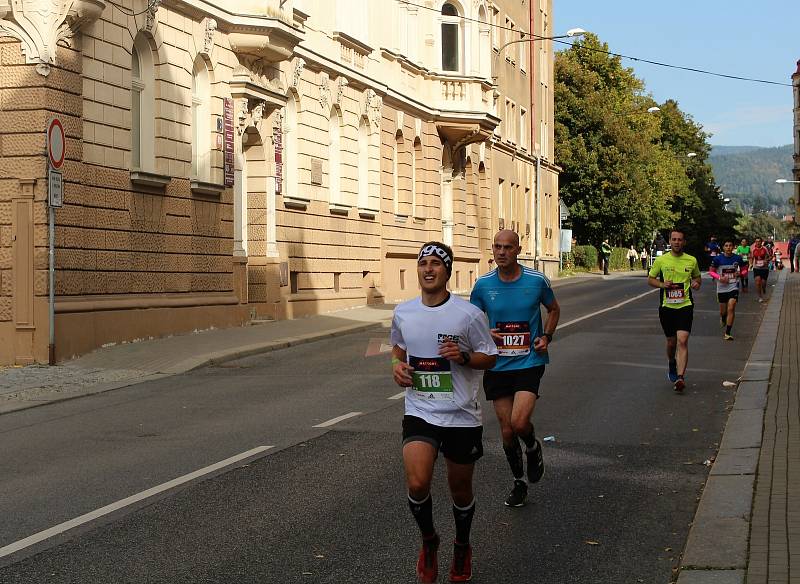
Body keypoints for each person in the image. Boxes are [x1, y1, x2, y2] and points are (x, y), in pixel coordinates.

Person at [391, 241, 497, 583]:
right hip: (420, 410)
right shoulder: (404, 312)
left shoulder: (468, 315)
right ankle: (429, 540)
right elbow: (398, 346)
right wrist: (396, 366)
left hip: (461, 415)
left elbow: (490, 356)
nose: (428, 269)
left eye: (436, 264)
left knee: (460, 490)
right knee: (418, 481)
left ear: (447, 271)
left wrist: (464, 357)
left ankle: (462, 545)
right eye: (423, 264)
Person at [470, 230, 560, 508]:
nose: (501, 252)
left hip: (529, 361)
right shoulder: (483, 284)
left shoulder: (536, 280)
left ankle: (532, 446)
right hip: (497, 365)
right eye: (497, 247)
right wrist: (486, 336)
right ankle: (519, 482)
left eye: (507, 247)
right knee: (507, 431)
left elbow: (554, 309)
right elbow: (471, 321)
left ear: (518, 249)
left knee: (520, 423)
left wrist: (546, 337)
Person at [647, 229, 702, 393]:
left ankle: (680, 377)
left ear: (684, 242)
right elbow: (650, 279)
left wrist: (697, 284)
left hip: (685, 305)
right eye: (674, 239)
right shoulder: (662, 260)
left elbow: (698, 277)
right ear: (670, 241)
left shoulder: (691, 260)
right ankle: (672, 362)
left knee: (683, 340)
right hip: (667, 307)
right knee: (671, 342)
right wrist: (662, 285)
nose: (677, 242)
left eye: (680, 240)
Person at [709, 239, 745, 340]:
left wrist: (740, 273)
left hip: (733, 286)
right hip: (721, 288)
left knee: (731, 307)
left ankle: (728, 333)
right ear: (723, 247)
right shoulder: (717, 259)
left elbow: (745, 269)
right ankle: (723, 317)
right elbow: (711, 272)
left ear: (733, 247)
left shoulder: (737, 258)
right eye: (726, 245)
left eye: (730, 245)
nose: (728, 247)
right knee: (723, 312)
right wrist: (720, 278)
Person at [750, 237, 772, 303]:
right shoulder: (753, 249)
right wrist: (751, 264)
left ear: (761, 242)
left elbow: (770, 256)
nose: (758, 243)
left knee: (763, 283)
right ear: (755, 242)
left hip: (764, 268)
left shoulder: (765, 248)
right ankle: (760, 297)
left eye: (759, 241)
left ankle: (764, 288)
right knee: (757, 282)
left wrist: (766, 260)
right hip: (756, 268)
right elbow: (751, 258)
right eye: (756, 241)